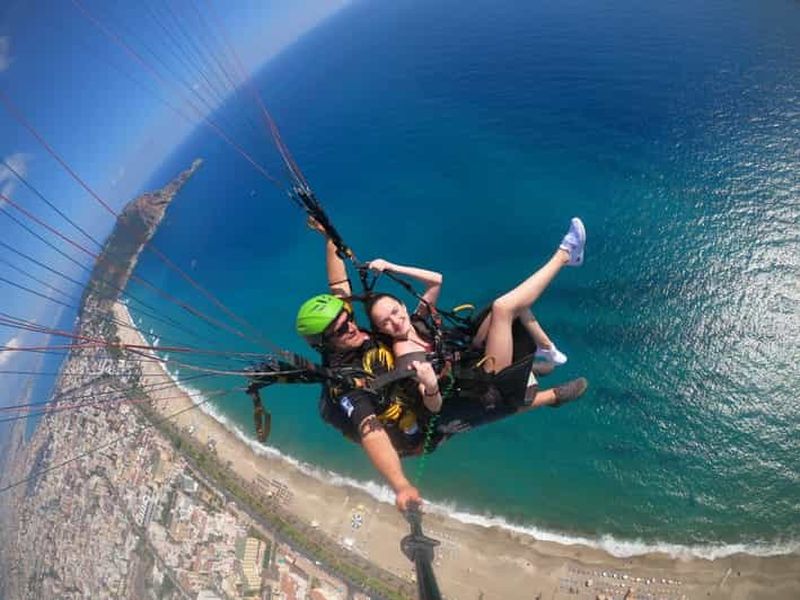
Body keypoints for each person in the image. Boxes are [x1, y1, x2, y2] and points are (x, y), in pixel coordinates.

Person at [296, 218, 588, 511]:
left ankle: (538, 360)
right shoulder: (346, 384)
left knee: (498, 315)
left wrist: (329, 239)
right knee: (495, 398)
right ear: (325, 342)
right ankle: (552, 394)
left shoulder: (370, 330)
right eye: (340, 330)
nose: (350, 327)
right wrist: (401, 485)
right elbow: (371, 431)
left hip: (434, 380)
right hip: (422, 425)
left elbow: (339, 287)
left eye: (348, 319)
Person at [366, 218, 587, 411]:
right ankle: (565, 255)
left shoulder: (416, 320)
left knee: (503, 303)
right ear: (380, 329)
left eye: (395, 312)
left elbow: (436, 280)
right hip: (486, 379)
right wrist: (431, 386)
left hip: (473, 352)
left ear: (403, 306)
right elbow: (434, 406)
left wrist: (390, 266)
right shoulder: (406, 357)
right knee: (504, 307)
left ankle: (546, 348)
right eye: (385, 322)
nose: (395, 322)